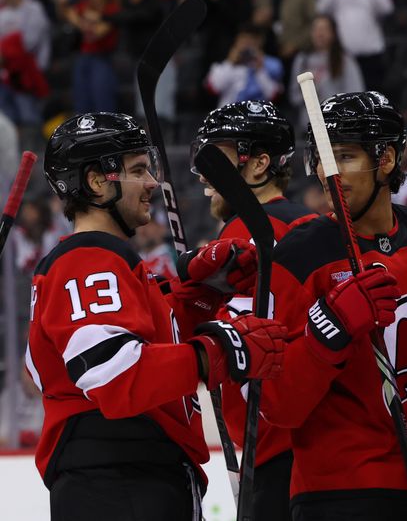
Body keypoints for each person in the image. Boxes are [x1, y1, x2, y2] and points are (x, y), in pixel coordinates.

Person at [26, 112, 288, 520]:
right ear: (97, 181)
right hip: (119, 482)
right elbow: (117, 376)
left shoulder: (104, 261)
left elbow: (138, 346)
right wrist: (219, 350)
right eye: (137, 170)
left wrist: (195, 296)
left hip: (132, 477)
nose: (151, 183)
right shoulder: (89, 260)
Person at [259, 91, 407, 520]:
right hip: (342, 491)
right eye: (321, 159)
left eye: (344, 157)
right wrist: (327, 330)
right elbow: (277, 405)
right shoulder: (298, 255)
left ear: (385, 159)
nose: (327, 174)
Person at [191, 99, 316, 520]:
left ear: (260, 164)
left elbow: (238, 348)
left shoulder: (247, 228)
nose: (206, 173)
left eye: (220, 157)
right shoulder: (308, 223)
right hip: (316, 445)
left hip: (277, 444)